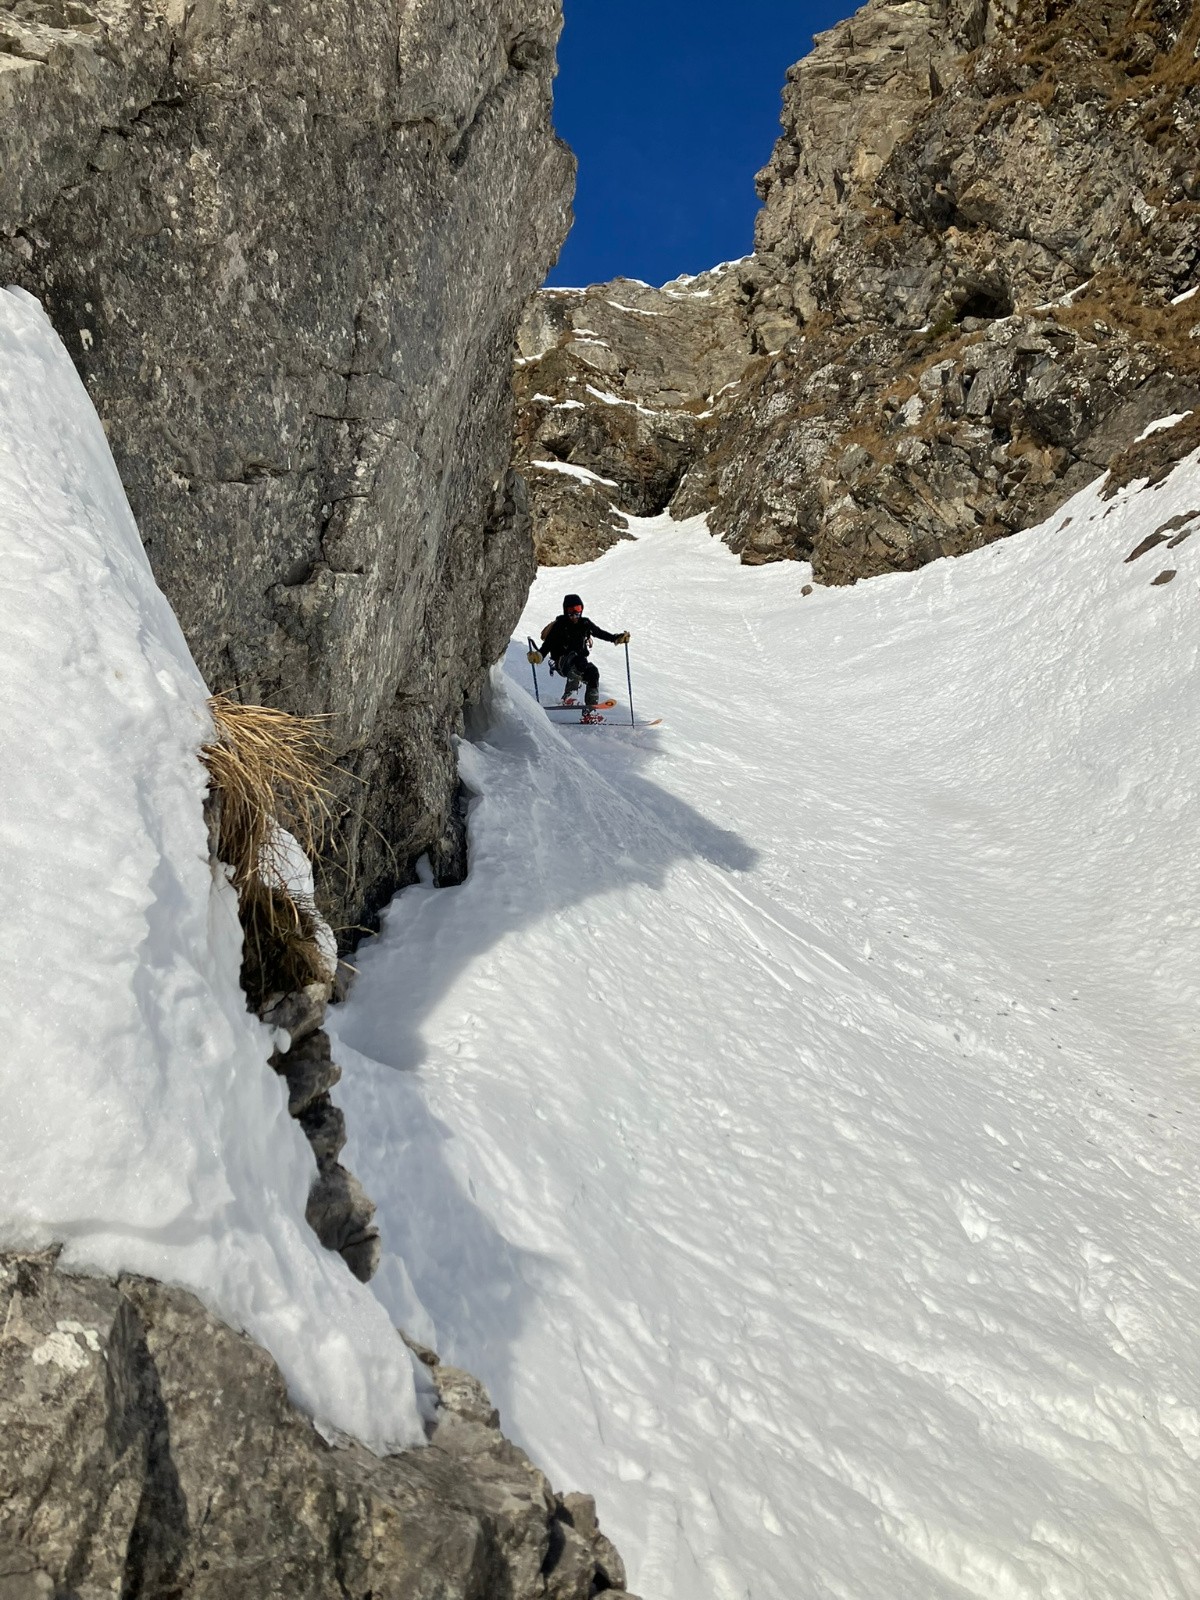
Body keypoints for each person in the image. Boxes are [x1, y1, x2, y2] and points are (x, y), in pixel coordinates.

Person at [527, 593, 630, 709]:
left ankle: (590, 711)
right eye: (571, 610)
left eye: (578, 609)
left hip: (580, 663)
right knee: (577, 659)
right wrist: (538, 656)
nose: (575, 614)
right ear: (566, 610)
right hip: (562, 662)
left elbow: (600, 633)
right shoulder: (560, 625)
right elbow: (547, 645)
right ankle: (569, 696)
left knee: (593, 672)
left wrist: (616, 638)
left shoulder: (584, 623)